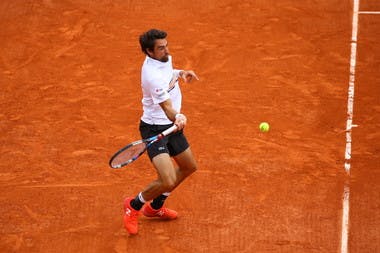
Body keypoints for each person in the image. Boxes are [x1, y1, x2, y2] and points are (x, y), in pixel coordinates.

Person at [123, 29, 199, 235]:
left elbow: (168, 73)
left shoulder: (163, 58)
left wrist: (180, 73)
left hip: (172, 127)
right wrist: (177, 117)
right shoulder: (151, 76)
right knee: (167, 179)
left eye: (166, 45)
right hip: (155, 128)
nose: (166, 49)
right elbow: (166, 107)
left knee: (189, 166)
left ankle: (155, 207)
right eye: (161, 47)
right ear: (149, 51)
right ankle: (133, 205)